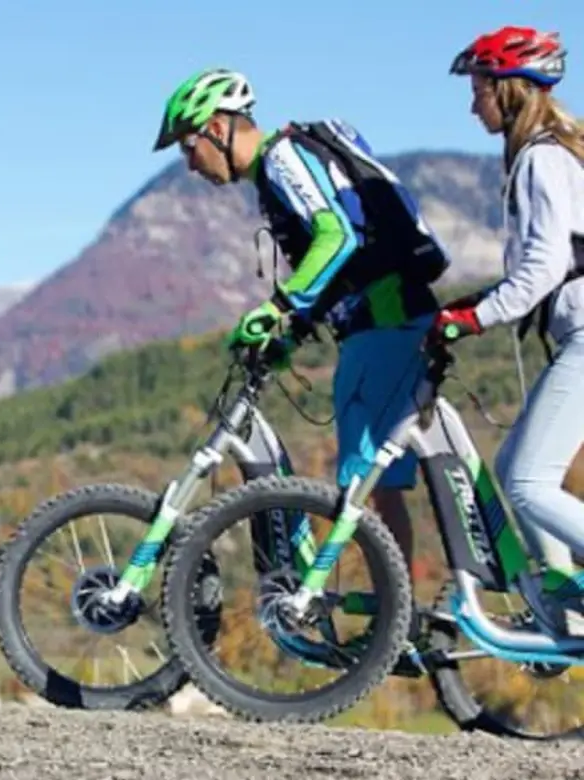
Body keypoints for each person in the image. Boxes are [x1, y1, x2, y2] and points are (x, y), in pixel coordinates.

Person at [152, 67, 451, 579]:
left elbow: (337, 238)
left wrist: (278, 306)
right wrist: (291, 333)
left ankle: (396, 613)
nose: (189, 163)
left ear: (217, 128)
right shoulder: (274, 174)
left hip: (384, 323)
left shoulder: (282, 158)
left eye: (188, 146)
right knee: (375, 488)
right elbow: (339, 265)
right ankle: (398, 609)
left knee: (363, 486)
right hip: (380, 323)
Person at [433, 26, 584, 636]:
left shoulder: (542, 158)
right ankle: (566, 604)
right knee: (513, 462)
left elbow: (545, 266)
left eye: (479, 90)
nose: (474, 105)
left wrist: (474, 319)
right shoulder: (555, 152)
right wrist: (477, 302)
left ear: (509, 89)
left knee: (527, 481)